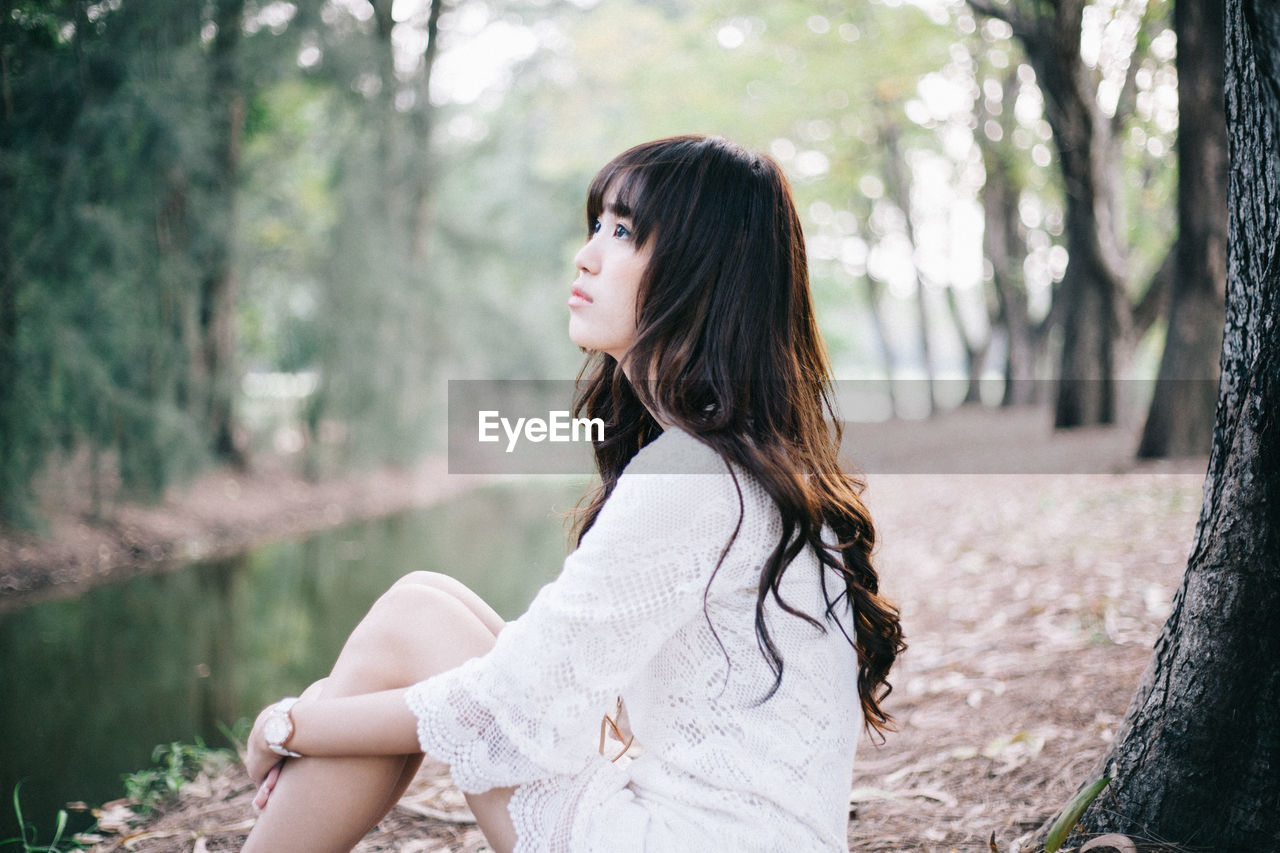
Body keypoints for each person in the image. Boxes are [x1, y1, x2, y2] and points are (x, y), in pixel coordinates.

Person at [241, 135, 905, 853]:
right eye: (597, 227)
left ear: (701, 273)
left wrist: (288, 723)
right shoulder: (736, 464)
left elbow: (506, 703)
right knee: (432, 602)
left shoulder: (695, 476)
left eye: (622, 233)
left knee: (413, 622)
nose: (587, 255)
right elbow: (548, 687)